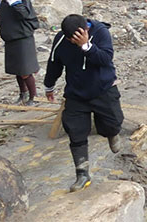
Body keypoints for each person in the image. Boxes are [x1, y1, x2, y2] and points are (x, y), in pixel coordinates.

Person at [44, 14, 124, 192]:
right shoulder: (61, 40)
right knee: (75, 131)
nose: (73, 42)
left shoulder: (101, 33)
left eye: (76, 38)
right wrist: (49, 86)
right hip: (76, 92)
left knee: (112, 124)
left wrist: (86, 46)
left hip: (103, 89)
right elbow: (54, 63)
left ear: (86, 30)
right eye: (70, 39)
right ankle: (82, 174)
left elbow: (105, 59)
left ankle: (112, 133)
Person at [0, 0, 40, 105]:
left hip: (22, 38)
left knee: (25, 70)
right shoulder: (4, 1)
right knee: (17, 70)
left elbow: (25, 15)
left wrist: (15, 2)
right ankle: (23, 94)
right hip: (11, 37)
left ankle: (34, 97)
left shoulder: (21, 0)